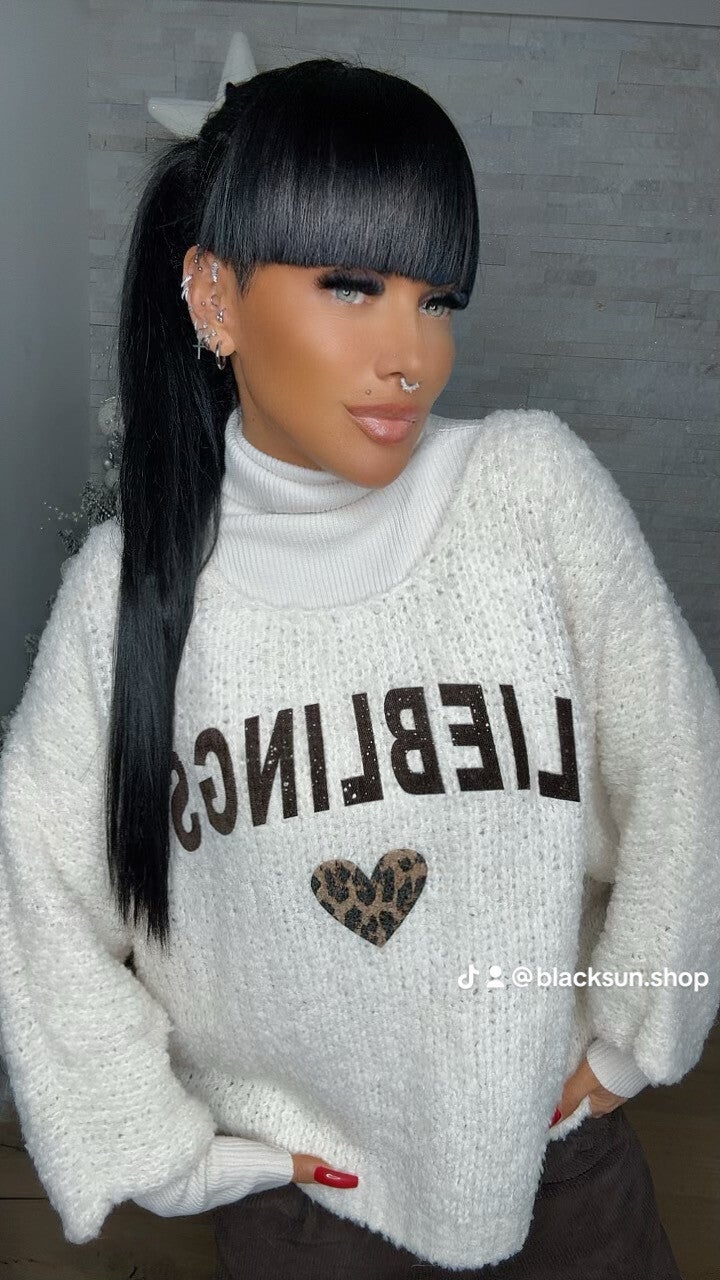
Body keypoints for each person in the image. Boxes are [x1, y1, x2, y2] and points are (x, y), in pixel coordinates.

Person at [0, 56, 718, 1279]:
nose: (412, 355)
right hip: (308, 1212)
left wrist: (633, 1034)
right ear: (214, 297)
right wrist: (154, 1141)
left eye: (436, 299)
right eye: (351, 285)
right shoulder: (129, 594)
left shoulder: (531, 494)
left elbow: (684, 761)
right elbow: (37, 885)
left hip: (562, 1165)